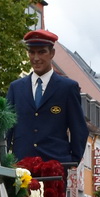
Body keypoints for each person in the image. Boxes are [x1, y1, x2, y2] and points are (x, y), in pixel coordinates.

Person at [5, 28, 88, 167]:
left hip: (55, 168)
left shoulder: (67, 88)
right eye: (32, 52)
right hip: (21, 167)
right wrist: (3, 159)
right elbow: (7, 128)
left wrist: (72, 160)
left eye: (41, 52)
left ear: (52, 53)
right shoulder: (16, 88)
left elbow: (78, 127)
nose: (36, 58)